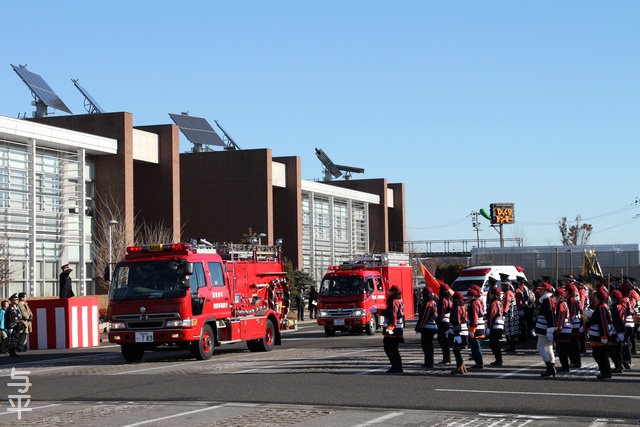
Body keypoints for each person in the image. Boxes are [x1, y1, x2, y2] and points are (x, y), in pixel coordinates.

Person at [585, 287, 613, 380]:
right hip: (599, 334)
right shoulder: (600, 307)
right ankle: (605, 371)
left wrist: (604, 335)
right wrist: (585, 326)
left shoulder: (601, 307)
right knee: (599, 354)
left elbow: (603, 322)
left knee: (600, 354)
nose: (594, 298)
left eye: (595, 296)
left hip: (600, 335)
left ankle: (605, 372)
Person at [534, 282, 556, 377]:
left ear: (546, 290)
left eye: (542, 290)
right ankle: (552, 367)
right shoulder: (547, 300)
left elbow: (550, 316)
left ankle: (550, 367)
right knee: (549, 348)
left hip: (545, 329)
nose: (540, 291)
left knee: (540, 347)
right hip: (545, 328)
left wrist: (550, 330)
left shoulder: (547, 301)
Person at [382, 285, 405, 373]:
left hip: (394, 328)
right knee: (394, 349)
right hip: (398, 327)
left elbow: (393, 316)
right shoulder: (400, 301)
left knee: (389, 348)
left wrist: (389, 329)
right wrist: (378, 311)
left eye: (391, 291)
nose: (389, 293)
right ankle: (398, 366)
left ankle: (396, 366)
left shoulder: (394, 302)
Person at [414, 287, 438, 368]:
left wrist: (419, 327)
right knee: (429, 345)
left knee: (426, 345)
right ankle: (429, 361)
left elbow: (424, 316)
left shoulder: (428, 303)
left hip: (427, 326)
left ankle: (429, 362)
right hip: (432, 326)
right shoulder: (433, 302)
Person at [449, 291, 469, 375]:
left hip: (458, 331)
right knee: (457, 350)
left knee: (456, 350)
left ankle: (460, 367)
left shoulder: (456, 308)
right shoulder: (464, 307)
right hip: (464, 330)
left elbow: (456, 321)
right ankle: (463, 366)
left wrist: (456, 333)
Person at [553, 288, 572, 373]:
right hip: (565, 329)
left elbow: (561, 317)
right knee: (562, 349)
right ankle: (564, 365)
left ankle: (565, 366)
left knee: (561, 349)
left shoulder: (561, 304)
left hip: (563, 329)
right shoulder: (563, 303)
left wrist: (558, 328)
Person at [466, 286, 485, 369]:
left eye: (469, 295)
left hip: (475, 326)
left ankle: (479, 363)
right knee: (477, 345)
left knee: (475, 346)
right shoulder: (479, 301)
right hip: (480, 325)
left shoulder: (474, 303)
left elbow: (474, 316)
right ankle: (478, 362)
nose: (467, 297)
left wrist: (472, 328)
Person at [500, 273, 519, 352]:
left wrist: (504, 313)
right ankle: (512, 345)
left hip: (509, 314)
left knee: (510, 331)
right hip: (512, 314)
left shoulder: (508, 293)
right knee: (511, 331)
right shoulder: (510, 292)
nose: (501, 287)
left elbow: (506, 304)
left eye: (503, 286)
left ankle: (512, 346)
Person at [486, 285, 504, 366]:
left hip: (495, 325)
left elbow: (492, 315)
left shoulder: (494, 303)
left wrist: (489, 326)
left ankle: (498, 360)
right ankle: (498, 359)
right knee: (495, 343)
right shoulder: (499, 302)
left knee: (493, 343)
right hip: (499, 324)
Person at [436, 283, 453, 365]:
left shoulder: (443, 300)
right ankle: (446, 357)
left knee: (443, 340)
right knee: (443, 340)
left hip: (443, 322)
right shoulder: (450, 299)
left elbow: (442, 311)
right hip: (448, 321)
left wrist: (439, 321)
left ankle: (446, 358)